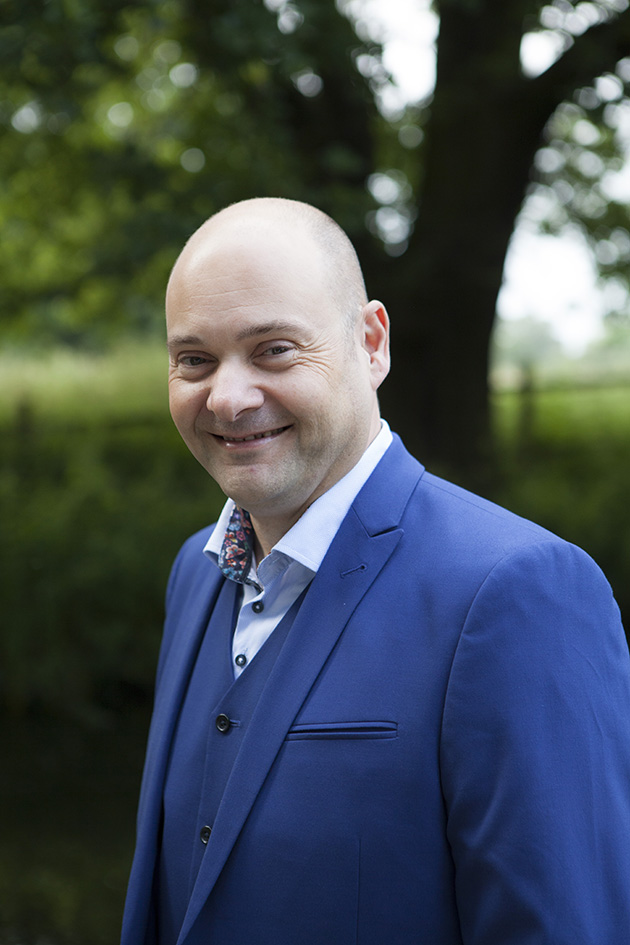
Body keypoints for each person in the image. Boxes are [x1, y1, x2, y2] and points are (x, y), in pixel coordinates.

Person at [122, 197, 630, 945]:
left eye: (274, 349)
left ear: (370, 343)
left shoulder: (518, 592)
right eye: (195, 360)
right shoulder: (194, 575)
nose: (228, 397)